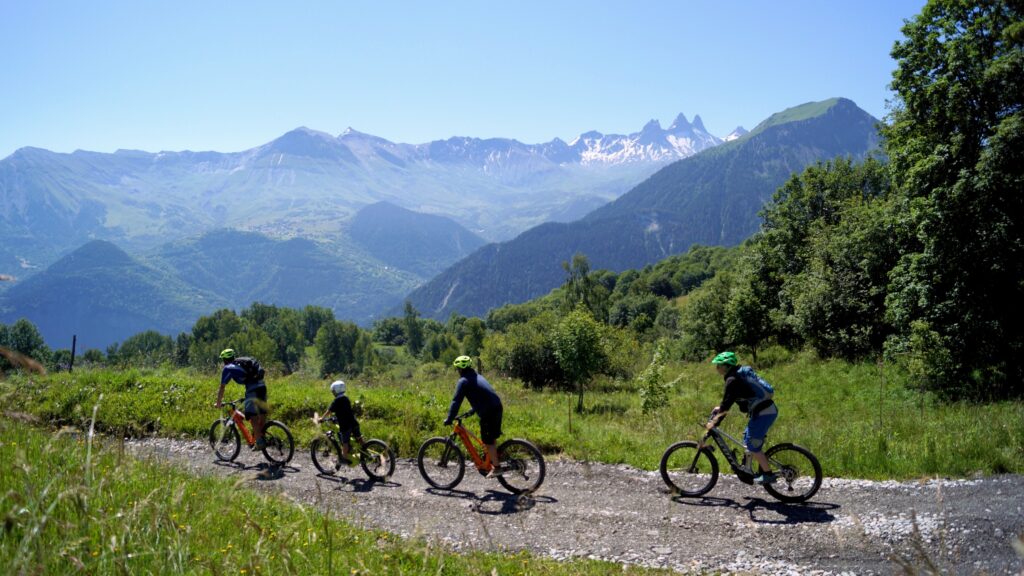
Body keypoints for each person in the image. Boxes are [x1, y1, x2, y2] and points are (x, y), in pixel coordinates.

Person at [708, 351, 778, 485]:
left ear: (727, 366)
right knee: (747, 438)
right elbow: (729, 401)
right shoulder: (735, 376)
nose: (717, 368)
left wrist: (715, 422)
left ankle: (768, 475)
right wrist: (720, 408)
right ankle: (747, 469)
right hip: (764, 410)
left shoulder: (732, 380)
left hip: (764, 413)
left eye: (719, 365)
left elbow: (727, 404)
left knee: (752, 445)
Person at [445, 355, 505, 478]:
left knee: (487, 440)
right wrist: (473, 410)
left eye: (457, 369)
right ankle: (492, 460)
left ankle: (497, 468)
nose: (457, 371)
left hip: (488, 411)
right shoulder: (478, 376)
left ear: (460, 369)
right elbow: (483, 394)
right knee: (491, 437)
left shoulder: (463, 381)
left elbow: (456, 401)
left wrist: (450, 418)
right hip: (497, 407)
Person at [214, 348, 268, 450]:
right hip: (262, 386)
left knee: (253, 417)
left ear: (224, 360)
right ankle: (261, 436)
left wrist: (218, 403)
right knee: (262, 414)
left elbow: (222, 387)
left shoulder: (227, 368)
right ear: (233, 357)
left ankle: (259, 442)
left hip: (252, 389)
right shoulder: (241, 363)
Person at [325, 379, 363, 465]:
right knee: (359, 437)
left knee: (345, 442)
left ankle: (343, 458)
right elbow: (344, 411)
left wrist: (321, 418)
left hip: (345, 425)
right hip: (353, 422)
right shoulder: (346, 398)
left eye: (333, 391)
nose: (333, 393)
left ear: (336, 391)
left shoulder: (336, 401)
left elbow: (329, 411)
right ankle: (366, 450)